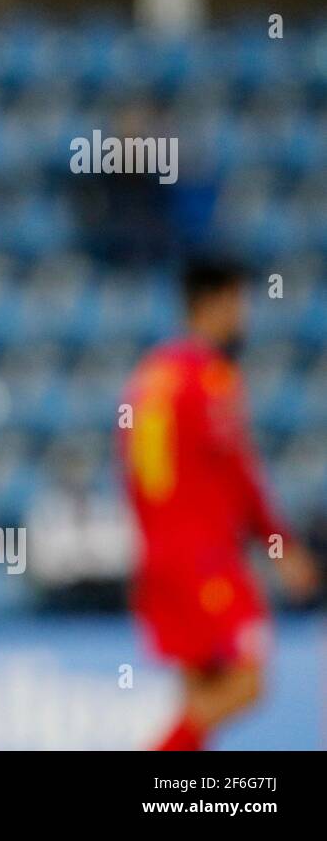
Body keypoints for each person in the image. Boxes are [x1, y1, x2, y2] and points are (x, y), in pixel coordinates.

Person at [119, 258, 318, 750]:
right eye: (239, 304)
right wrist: (281, 548)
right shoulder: (211, 379)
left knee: (200, 696)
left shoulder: (149, 378)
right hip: (204, 557)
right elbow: (240, 476)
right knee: (248, 684)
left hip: (158, 556)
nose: (244, 317)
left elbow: (130, 470)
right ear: (216, 303)